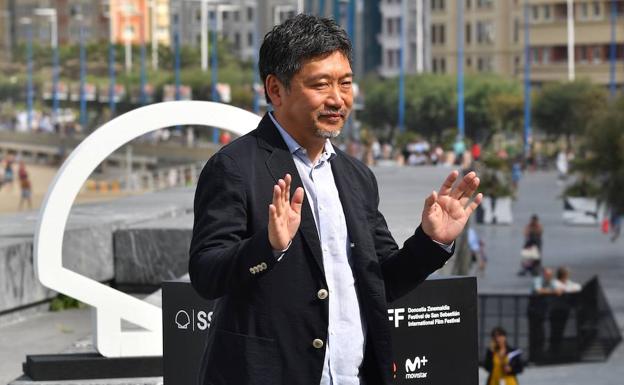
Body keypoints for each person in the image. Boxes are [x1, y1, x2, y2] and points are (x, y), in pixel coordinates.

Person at [189, 15, 482, 385]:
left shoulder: (357, 176)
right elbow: (206, 275)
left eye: (345, 83)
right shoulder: (233, 167)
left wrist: (432, 240)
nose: (337, 99)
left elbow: (382, 282)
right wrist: (268, 246)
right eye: (320, 84)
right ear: (276, 90)